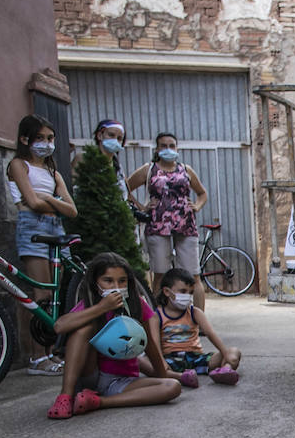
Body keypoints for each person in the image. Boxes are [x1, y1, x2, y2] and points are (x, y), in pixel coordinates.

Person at [46, 252, 183, 419]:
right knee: (83, 329)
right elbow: (60, 326)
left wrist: (161, 375)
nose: (116, 286)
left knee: (172, 386)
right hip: (92, 373)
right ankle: (65, 397)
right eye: (108, 281)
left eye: (122, 281)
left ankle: (98, 401)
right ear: (96, 282)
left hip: (122, 381)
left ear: (129, 282)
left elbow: (148, 343)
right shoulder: (92, 303)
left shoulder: (137, 304)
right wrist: (102, 308)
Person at [7, 114, 77, 376]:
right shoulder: (18, 165)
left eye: (50, 139)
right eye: (40, 138)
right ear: (25, 139)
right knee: (42, 295)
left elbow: (71, 210)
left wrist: (47, 197)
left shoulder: (53, 172)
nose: (46, 144)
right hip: (32, 227)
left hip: (56, 228)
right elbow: (31, 204)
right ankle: (37, 357)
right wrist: (52, 201)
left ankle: (49, 352)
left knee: (55, 297)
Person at [127, 133, 209, 308]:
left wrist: (197, 206)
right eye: (163, 146)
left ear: (177, 148)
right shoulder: (149, 170)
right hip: (158, 225)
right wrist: (141, 207)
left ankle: (198, 319)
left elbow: (202, 193)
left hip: (185, 225)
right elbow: (125, 187)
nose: (168, 149)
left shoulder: (186, 170)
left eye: (172, 146)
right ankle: (158, 318)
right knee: (160, 274)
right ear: (157, 149)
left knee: (193, 275)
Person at [150, 268, 241, 385]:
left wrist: (226, 355)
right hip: (170, 360)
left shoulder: (195, 312)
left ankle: (224, 371)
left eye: (190, 292)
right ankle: (181, 377)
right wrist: (161, 362)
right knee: (146, 363)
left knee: (234, 351)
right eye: (183, 291)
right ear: (167, 292)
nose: (187, 296)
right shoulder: (156, 316)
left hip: (196, 358)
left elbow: (210, 334)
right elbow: (154, 343)